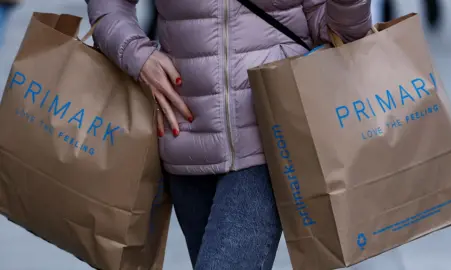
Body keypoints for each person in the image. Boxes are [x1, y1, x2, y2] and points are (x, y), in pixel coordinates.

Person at [87, 0, 371, 269]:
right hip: (186, 134)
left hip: (270, 135)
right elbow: (108, 6)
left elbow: (338, 31)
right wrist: (139, 56)